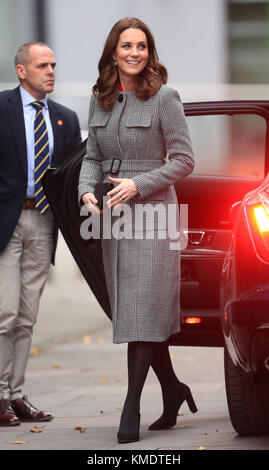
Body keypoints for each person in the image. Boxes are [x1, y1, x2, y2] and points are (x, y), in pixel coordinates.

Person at [78, 18, 196, 444]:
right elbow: (92, 156)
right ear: (114, 52)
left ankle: (131, 408)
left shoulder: (165, 97)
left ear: (150, 51)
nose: (134, 52)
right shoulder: (100, 98)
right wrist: (84, 193)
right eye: (126, 45)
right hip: (113, 216)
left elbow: (184, 160)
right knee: (134, 312)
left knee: (142, 310)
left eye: (142, 46)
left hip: (155, 215)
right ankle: (174, 389)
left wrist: (138, 184)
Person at [0, 42, 81, 425]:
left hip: (44, 224)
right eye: (42, 65)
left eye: (53, 64)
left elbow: (72, 176)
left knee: (27, 318)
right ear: (21, 70)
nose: (51, 70)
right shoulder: (1, 109)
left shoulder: (64, 118)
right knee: (5, 312)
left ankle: (15, 396)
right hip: (7, 224)